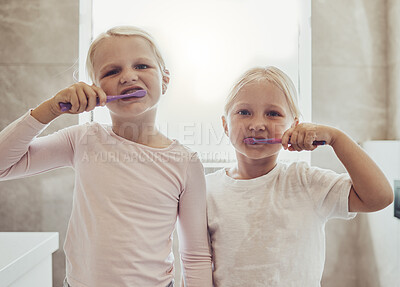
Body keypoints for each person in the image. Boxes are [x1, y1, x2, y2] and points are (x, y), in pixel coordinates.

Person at [0, 26, 212, 287]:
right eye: (112, 71)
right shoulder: (83, 140)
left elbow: (196, 256)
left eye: (142, 66)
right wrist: (50, 109)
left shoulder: (185, 163)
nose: (128, 76)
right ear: (95, 90)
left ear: (165, 79)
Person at [206, 66, 393, 287]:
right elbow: (193, 262)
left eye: (273, 113)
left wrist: (336, 138)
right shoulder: (206, 189)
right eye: (244, 112)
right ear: (225, 125)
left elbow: (380, 196)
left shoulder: (306, 182)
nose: (257, 125)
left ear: (293, 126)